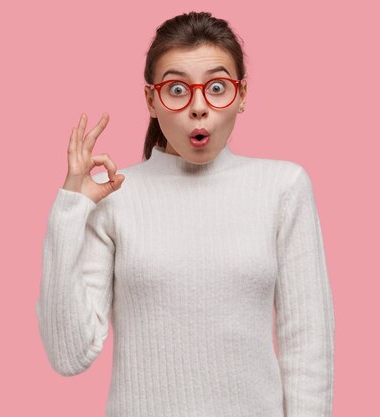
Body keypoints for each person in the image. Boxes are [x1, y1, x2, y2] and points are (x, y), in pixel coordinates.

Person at [36, 11, 335, 417]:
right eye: (177, 89)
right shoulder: (115, 195)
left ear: (242, 94)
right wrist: (71, 207)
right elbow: (69, 355)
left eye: (217, 87)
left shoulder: (282, 188)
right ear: (151, 100)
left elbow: (307, 347)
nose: (198, 107)